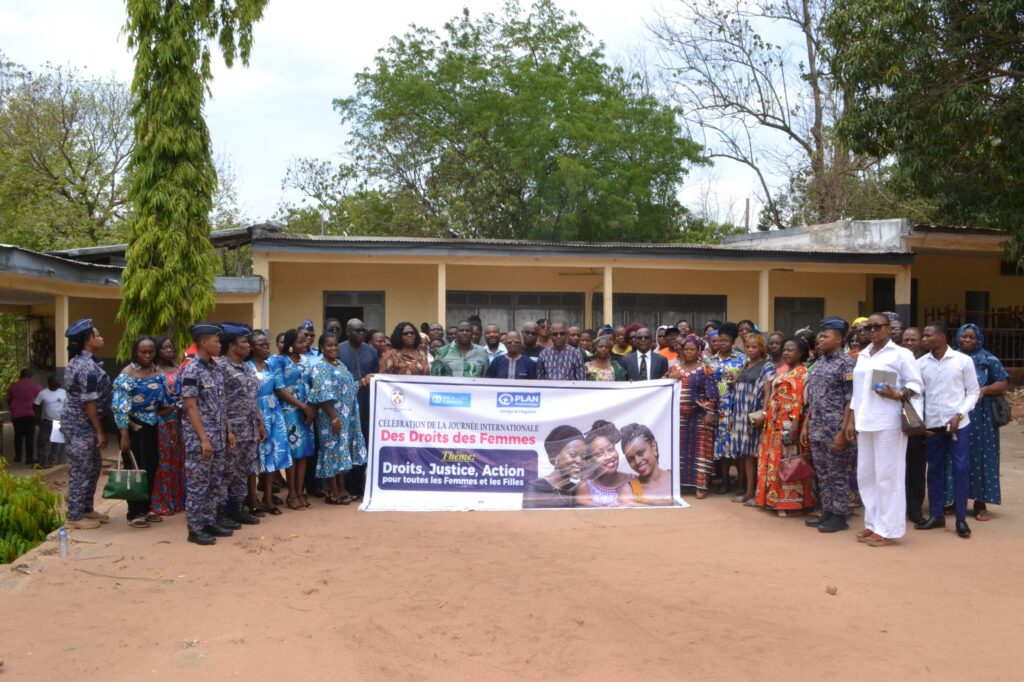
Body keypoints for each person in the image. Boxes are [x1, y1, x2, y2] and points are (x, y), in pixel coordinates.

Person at [845, 313, 923, 547]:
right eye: (868, 327)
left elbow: (916, 385)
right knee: (866, 475)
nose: (872, 330)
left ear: (889, 328)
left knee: (888, 476)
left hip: (889, 421)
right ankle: (873, 523)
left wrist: (898, 394)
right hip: (865, 420)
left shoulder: (901, 354)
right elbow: (857, 391)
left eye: (877, 326)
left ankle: (889, 529)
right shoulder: (864, 354)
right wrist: (850, 421)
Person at [915, 322, 979, 539]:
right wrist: (920, 422)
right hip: (933, 425)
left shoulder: (963, 361)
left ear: (941, 337)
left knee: (960, 469)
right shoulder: (921, 363)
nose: (924, 339)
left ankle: (961, 518)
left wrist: (959, 414)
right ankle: (936, 515)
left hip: (958, 425)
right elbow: (918, 395)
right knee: (934, 470)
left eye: (928, 335)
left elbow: (973, 392)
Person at [801, 317, 856, 532]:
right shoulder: (819, 362)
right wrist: (806, 425)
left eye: (825, 336)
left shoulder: (847, 363)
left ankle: (840, 516)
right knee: (822, 473)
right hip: (816, 427)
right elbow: (813, 398)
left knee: (838, 473)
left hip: (836, 428)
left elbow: (851, 399)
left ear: (839, 339)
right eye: (819, 336)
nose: (819, 339)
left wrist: (843, 431)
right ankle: (828, 512)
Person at [112, 336, 173, 528]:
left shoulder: (158, 373)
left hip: (153, 425)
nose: (147, 355)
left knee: (151, 467)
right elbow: (120, 407)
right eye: (142, 352)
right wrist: (124, 435)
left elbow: (165, 402)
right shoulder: (127, 374)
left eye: (151, 352)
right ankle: (133, 513)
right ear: (135, 352)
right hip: (132, 428)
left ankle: (146, 509)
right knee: (135, 468)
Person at [180, 323, 230, 546]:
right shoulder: (192, 370)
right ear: (203, 342)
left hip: (218, 435)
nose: (220, 345)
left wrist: (228, 430)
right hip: (201, 438)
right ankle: (195, 528)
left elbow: (221, 403)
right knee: (199, 484)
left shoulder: (216, 367)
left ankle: (209, 521)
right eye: (216, 341)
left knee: (215, 482)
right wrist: (203, 438)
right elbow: (191, 407)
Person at [60, 319, 111, 530]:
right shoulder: (86, 367)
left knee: (93, 465)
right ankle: (74, 515)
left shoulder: (88, 362)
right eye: (97, 335)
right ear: (87, 341)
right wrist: (100, 432)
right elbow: (89, 402)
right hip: (80, 422)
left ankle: (86, 508)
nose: (101, 337)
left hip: (84, 421)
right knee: (80, 467)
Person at [955, 323, 1010, 522]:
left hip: (981, 416)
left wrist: (984, 390)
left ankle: (980, 502)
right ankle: (954, 500)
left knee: (981, 455)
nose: (968, 340)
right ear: (958, 337)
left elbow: (1003, 382)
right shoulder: (951, 357)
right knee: (955, 455)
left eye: (972, 337)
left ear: (979, 339)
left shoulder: (988, 359)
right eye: (964, 336)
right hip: (956, 413)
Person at [754, 338, 814, 516]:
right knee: (774, 460)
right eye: (785, 350)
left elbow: (799, 403)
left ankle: (788, 502)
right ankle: (771, 498)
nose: (786, 353)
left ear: (801, 353)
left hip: (788, 423)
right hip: (774, 422)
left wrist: (794, 427)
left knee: (787, 460)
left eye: (791, 350)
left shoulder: (803, 373)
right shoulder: (785, 370)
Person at [308, 333, 367, 505]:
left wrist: (363, 381)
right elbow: (323, 395)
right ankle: (332, 492)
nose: (333, 348)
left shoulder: (340, 364)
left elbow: (348, 388)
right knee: (331, 452)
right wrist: (334, 418)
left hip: (346, 417)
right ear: (322, 348)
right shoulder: (319, 368)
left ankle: (341, 489)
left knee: (342, 452)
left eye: (335, 345)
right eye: (329, 345)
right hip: (330, 418)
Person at [216, 324, 263, 527]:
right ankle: (220, 513)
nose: (248, 346)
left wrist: (260, 422)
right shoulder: (221, 367)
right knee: (226, 472)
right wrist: (227, 430)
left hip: (250, 428)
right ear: (232, 346)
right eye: (244, 342)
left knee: (242, 471)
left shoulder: (247, 367)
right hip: (233, 430)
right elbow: (219, 402)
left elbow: (253, 398)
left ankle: (238, 509)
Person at [667, 336, 717, 497]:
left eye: (692, 349)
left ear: (698, 351)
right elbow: (660, 388)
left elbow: (712, 394)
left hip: (699, 415)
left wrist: (710, 412)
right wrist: (670, 379)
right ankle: (679, 485)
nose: (688, 352)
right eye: (686, 349)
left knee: (701, 449)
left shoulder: (705, 369)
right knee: (679, 449)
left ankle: (700, 486)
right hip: (678, 417)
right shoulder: (674, 369)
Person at [247, 331, 290, 515]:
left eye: (267, 344)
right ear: (251, 347)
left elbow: (279, 389)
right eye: (261, 344)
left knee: (271, 455)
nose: (266, 347)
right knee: (254, 457)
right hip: (254, 412)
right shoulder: (246, 367)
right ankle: (252, 499)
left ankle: (267, 499)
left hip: (273, 413)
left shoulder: (271, 366)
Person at [730, 333, 774, 503]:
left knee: (758, 455)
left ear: (761, 348)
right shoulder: (744, 365)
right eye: (747, 346)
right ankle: (749, 491)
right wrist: (734, 415)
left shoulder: (767, 367)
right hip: (741, 415)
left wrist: (763, 414)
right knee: (747, 454)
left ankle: (759, 493)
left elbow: (768, 394)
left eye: (754, 347)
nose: (750, 349)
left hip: (754, 415)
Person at [275, 328, 316, 510]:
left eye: (306, 340)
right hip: (290, 411)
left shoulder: (306, 360)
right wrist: (303, 406)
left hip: (307, 412)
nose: (305, 343)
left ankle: (300, 492)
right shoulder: (280, 362)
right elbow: (280, 389)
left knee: (304, 454)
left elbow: (310, 384)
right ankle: (291, 494)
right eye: (300, 341)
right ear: (291, 345)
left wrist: (311, 408)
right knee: (293, 455)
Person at [705, 322, 746, 494]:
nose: (722, 344)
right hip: (716, 407)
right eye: (719, 340)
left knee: (737, 445)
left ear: (733, 341)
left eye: (726, 341)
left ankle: (742, 482)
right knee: (719, 445)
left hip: (736, 407)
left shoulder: (742, 359)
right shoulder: (709, 360)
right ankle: (724, 481)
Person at [339, 318, 378, 499]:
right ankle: (344, 485)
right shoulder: (338, 350)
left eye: (363, 330)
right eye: (357, 331)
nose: (361, 333)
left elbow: (376, 377)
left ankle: (361, 485)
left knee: (363, 443)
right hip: (343, 406)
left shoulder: (371, 351)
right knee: (346, 444)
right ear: (347, 332)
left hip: (365, 405)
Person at [900, 327, 928, 525]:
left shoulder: (926, 364)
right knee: (898, 469)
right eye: (906, 340)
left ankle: (915, 510)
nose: (909, 343)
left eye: (913, 339)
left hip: (919, 423)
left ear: (921, 341)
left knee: (917, 469)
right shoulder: (898, 360)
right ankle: (899, 509)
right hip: (898, 420)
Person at [522, 425, 586, 508]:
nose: (579, 461)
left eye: (583, 457)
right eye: (573, 455)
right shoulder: (536, 487)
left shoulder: (576, 490)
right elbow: (528, 519)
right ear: (556, 457)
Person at [576, 420, 636, 507]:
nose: (608, 457)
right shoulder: (585, 488)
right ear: (591, 460)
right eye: (599, 454)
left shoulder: (634, 480)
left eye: (610, 449)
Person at [621, 423, 672, 505]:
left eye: (641, 453)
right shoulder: (629, 490)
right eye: (631, 459)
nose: (637, 461)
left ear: (653, 446)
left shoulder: (675, 479)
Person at [7, 369, 41, 464]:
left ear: (20, 375)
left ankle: (18, 456)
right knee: (29, 436)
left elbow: (9, 399)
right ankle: (29, 457)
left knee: (18, 435)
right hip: (30, 414)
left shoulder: (13, 386)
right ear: (30, 376)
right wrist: (39, 416)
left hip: (17, 414)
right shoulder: (36, 386)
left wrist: (12, 409)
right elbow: (39, 401)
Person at [33, 376, 66, 468]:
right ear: (51, 382)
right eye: (58, 380)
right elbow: (35, 405)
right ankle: (41, 461)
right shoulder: (43, 393)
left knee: (57, 443)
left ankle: (51, 460)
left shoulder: (63, 392)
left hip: (59, 421)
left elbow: (69, 405)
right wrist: (38, 418)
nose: (60, 382)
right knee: (42, 441)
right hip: (46, 422)